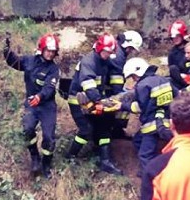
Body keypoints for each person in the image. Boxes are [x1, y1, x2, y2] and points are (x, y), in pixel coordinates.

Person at [3, 32, 61, 179]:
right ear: (41, 49)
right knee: (27, 129)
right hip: (31, 103)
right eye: (48, 51)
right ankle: (34, 156)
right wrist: (6, 50)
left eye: (53, 52)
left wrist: (40, 96)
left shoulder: (54, 69)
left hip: (47, 105)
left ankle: (46, 163)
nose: (50, 54)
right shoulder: (29, 61)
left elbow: (49, 87)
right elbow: (14, 62)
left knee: (49, 137)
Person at [65, 33, 123, 175]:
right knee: (86, 130)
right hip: (78, 101)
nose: (107, 55)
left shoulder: (106, 61)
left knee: (104, 126)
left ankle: (105, 161)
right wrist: (100, 101)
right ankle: (70, 156)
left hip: (94, 100)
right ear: (99, 48)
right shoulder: (89, 61)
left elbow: (115, 73)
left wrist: (116, 95)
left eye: (110, 53)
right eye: (106, 52)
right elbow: (88, 84)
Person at [120, 57, 175, 173]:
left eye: (133, 76)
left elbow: (139, 107)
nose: (134, 80)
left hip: (151, 125)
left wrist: (122, 105)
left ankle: (151, 178)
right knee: (137, 140)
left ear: (138, 72)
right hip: (166, 121)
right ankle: (155, 166)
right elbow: (177, 95)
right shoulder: (164, 80)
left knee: (145, 155)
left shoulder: (143, 86)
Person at [111, 30, 143, 140]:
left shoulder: (117, 50)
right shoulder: (119, 55)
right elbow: (116, 77)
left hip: (107, 86)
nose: (131, 51)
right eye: (131, 48)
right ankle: (117, 131)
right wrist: (119, 92)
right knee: (123, 102)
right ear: (127, 44)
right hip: (111, 88)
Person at [167, 20, 190, 91]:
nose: (175, 39)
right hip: (180, 82)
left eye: (177, 36)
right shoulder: (172, 53)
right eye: (173, 37)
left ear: (182, 35)